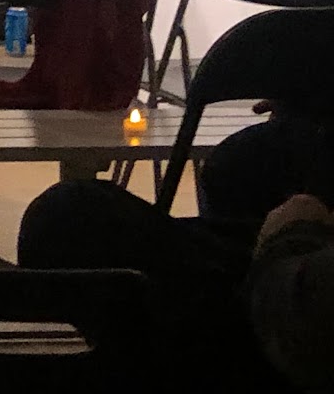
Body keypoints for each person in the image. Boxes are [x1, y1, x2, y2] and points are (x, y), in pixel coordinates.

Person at [19, 112, 334, 391]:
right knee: (240, 162)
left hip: (297, 295)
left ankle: (219, 331)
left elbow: (307, 313)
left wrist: (292, 236)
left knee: (61, 218)